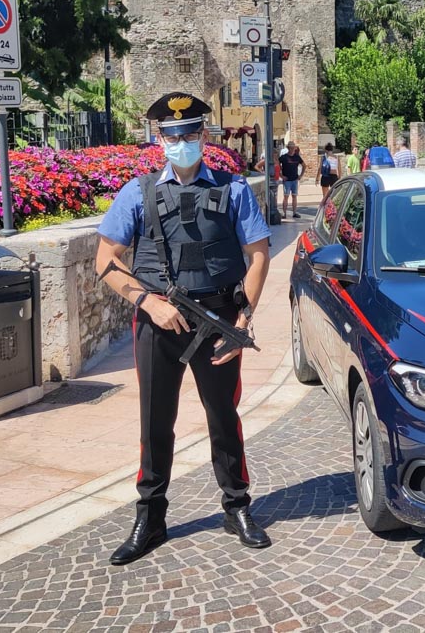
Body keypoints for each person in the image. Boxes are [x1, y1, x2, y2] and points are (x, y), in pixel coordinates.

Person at [95, 92, 272, 565]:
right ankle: (150, 517)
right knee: (155, 421)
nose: (181, 143)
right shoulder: (137, 192)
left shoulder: (235, 190)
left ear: (203, 136)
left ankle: (237, 507)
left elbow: (258, 256)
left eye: (190, 134)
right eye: (172, 136)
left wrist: (243, 319)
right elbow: (106, 260)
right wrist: (147, 302)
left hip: (217, 321)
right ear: (159, 138)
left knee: (223, 416)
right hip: (158, 323)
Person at [278, 141, 305, 219]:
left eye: (293, 148)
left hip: (294, 179)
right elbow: (277, 164)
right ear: (288, 148)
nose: (292, 149)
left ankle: (294, 212)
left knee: (294, 196)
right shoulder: (284, 157)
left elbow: (304, 165)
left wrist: (301, 175)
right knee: (286, 196)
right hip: (287, 180)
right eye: (291, 148)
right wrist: (281, 176)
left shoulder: (297, 157)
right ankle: (284, 213)